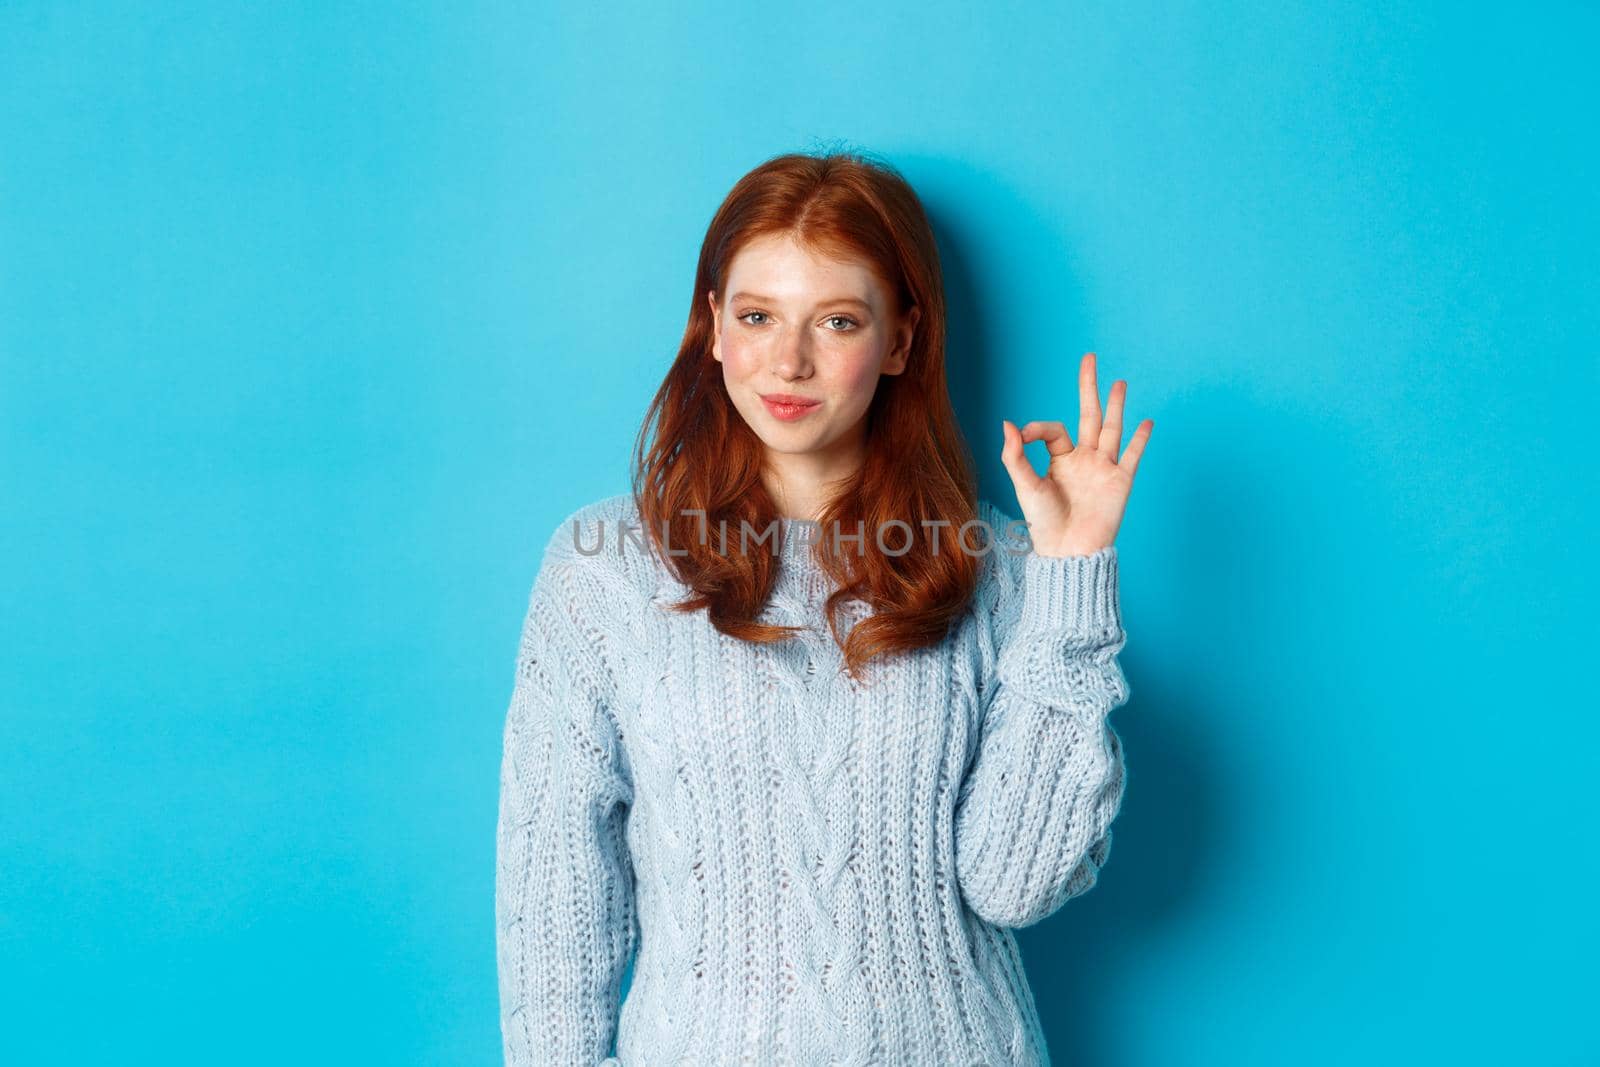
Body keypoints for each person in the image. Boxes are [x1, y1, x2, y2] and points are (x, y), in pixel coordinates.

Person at [495, 149, 1153, 1066]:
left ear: (901, 341)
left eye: (837, 320)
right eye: (758, 315)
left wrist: (1072, 573)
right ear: (714, 326)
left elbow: (1014, 881)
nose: (789, 361)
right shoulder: (601, 571)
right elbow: (557, 906)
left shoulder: (999, 566)